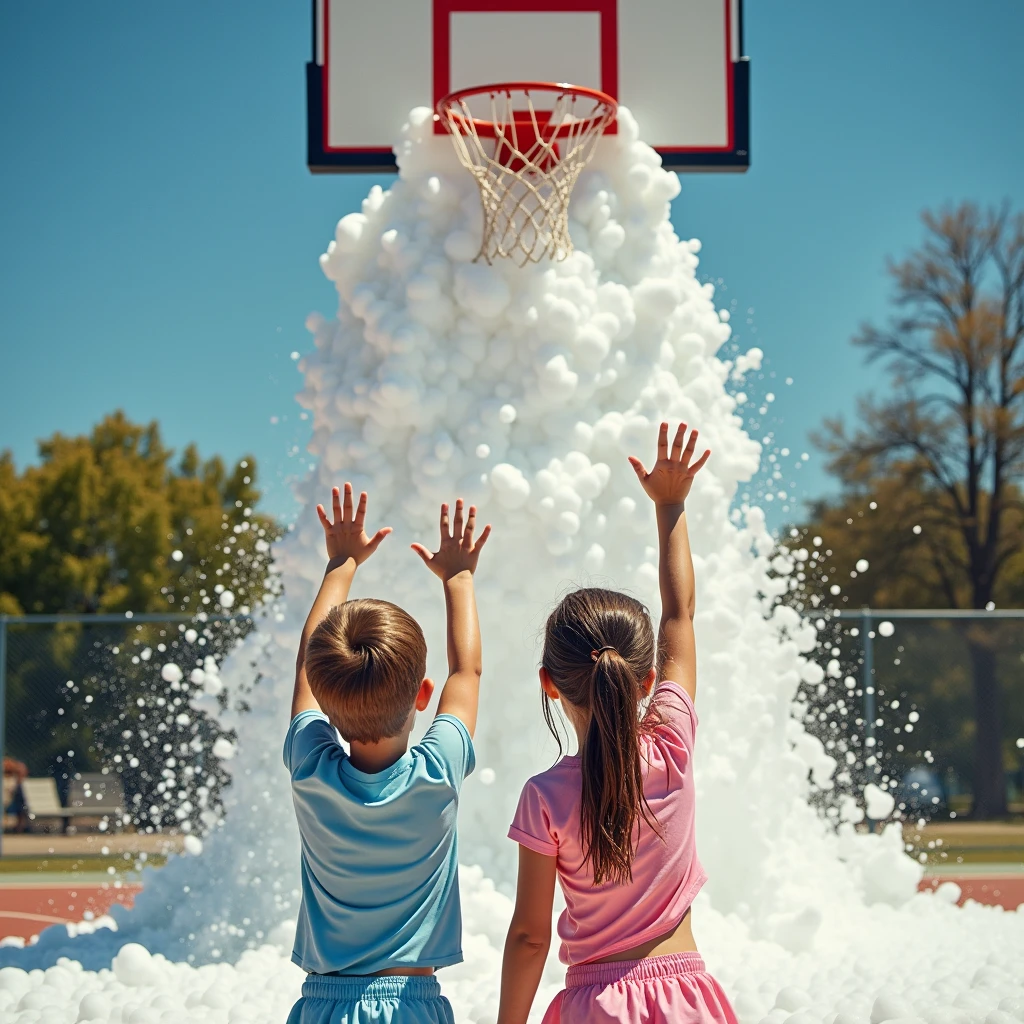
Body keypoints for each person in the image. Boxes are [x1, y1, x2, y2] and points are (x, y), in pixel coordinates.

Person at [497, 423, 737, 1024]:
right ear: (648, 680)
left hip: (592, 1007)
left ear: (548, 683)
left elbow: (530, 937)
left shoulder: (544, 797)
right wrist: (672, 506)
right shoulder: (672, 747)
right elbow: (680, 614)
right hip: (686, 1001)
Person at [283, 483, 490, 1024]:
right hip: (410, 1004)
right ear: (423, 695)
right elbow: (465, 671)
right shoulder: (438, 770)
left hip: (323, 1005)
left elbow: (309, 662)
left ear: (325, 700)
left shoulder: (311, 768)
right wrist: (459, 579)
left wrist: (342, 563)